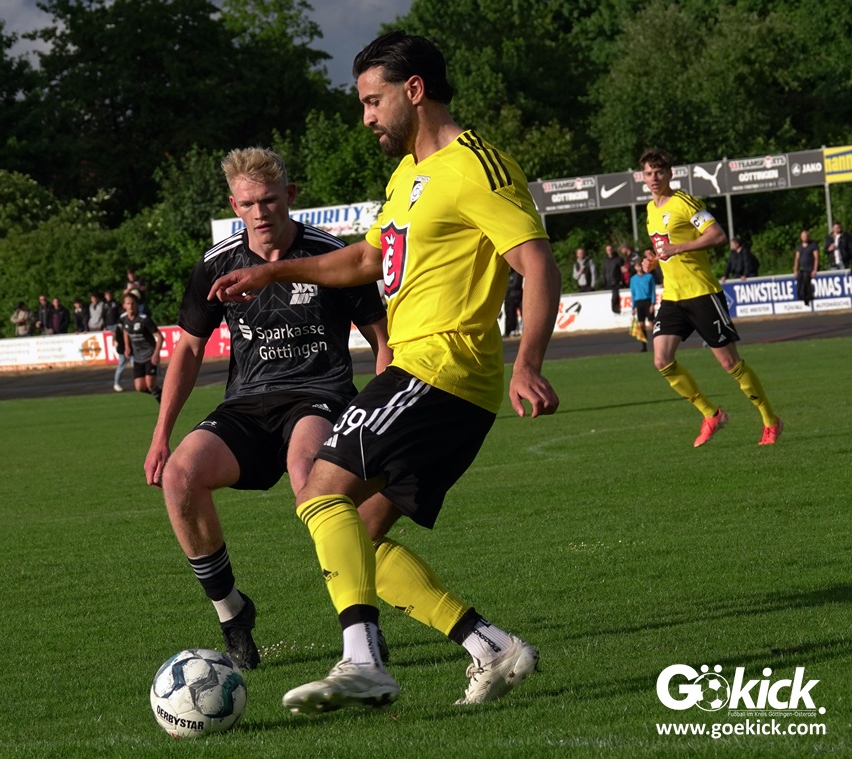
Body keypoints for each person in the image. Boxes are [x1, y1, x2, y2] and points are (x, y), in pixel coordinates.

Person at [209, 30, 561, 715]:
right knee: (358, 536)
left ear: (414, 90)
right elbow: (367, 261)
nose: (366, 116)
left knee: (318, 489)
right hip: (431, 375)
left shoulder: (478, 166)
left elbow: (537, 263)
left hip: (442, 366)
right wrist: (273, 271)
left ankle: (364, 663)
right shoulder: (406, 176)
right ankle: (490, 645)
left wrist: (529, 362)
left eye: (373, 101)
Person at [143, 146, 392, 671]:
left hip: (319, 395)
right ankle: (232, 614)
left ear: (290, 195)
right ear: (234, 205)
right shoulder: (217, 263)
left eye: (270, 200)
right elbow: (188, 349)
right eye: (248, 203)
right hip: (248, 402)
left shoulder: (329, 255)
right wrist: (161, 434)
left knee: (308, 478)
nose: (260, 212)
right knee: (181, 476)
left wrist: (380, 413)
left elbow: (382, 339)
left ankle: (360, 626)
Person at [639, 147, 781, 446]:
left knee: (730, 364)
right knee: (662, 360)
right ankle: (711, 414)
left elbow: (717, 235)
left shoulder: (685, 202)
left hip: (702, 293)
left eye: (659, 172)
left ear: (670, 173)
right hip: (673, 297)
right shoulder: (650, 210)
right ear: (643, 176)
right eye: (649, 173)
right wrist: (652, 261)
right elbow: (665, 249)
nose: (654, 178)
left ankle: (770, 420)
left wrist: (678, 248)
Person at [120, 293, 162, 402]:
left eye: (133, 303)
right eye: (128, 303)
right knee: (139, 387)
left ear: (137, 304)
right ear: (124, 305)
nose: (130, 306)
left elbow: (160, 337)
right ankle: (163, 395)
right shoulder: (123, 318)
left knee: (150, 384)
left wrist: (156, 354)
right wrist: (127, 346)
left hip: (150, 356)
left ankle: (164, 403)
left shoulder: (144, 319)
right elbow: (125, 331)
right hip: (137, 358)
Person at [629, 259, 656, 351]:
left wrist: (652, 303)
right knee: (641, 324)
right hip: (639, 302)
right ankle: (644, 346)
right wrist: (633, 307)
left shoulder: (649, 277)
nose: (639, 268)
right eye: (637, 266)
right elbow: (633, 293)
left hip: (647, 301)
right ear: (635, 267)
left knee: (652, 324)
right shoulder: (633, 279)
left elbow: (652, 291)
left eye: (640, 265)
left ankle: (656, 344)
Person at [601, 243, 624, 314]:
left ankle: (616, 309)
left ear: (613, 250)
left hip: (616, 283)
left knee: (615, 296)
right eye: (608, 250)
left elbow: (622, 271)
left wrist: (621, 281)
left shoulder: (618, 259)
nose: (609, 251)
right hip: (607, 283)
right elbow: (604, 272)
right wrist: (604, 282)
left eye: (610, 249)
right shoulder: (605, 261)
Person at [503, 269, 523, 336]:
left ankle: (514, 329)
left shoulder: (517, 274)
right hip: (508, 297)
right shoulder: (508, 274)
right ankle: (508, 330)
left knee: (513, 314)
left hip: (516, 296)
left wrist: (507, 285)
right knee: (508, 314)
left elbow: (515, 284)